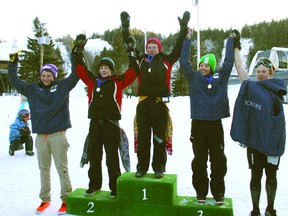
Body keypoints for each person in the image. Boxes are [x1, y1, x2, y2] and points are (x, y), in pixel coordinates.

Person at [8, 50, 79, 215]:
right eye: (44, 75)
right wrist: (13, 63)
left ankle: (66, 199)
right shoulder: (32, 89)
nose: (46, 78)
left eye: (49, 75)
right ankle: (45, 200)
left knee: (62, 168)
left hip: (58, 135)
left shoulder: (62, 87)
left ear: (54, 76)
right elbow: (15, 81)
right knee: (43, 169)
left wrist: (75, 56)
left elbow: (76, 75)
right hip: (41, 137)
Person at [120, 10, 190, 178]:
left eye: (154, 47)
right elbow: (129, 44)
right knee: (143, 137)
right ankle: (142, 167)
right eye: (149, 47)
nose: (151, 49)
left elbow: (179, 47)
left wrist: (183, 28)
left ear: (159, 48)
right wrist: (125, 27)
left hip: (160, 104)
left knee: (159, 138)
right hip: (143, 104)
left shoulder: (167, 59)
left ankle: (159, 167)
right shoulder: (141, 60)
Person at [72, 34, 139, 198]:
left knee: (112, 157)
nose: (103, 69)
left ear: (111, 70)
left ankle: (115, 188)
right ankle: (94, 185)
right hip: (95, 123)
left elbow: (134, 71)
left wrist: (131, 51)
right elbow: (79, 68)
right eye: (101, 67)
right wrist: (79, 50)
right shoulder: (92, 81)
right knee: (94, 155)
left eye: (107, 68)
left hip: (111, 124)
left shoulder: (118, 82)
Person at [231, 31, 287, 216]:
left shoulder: (278, 90)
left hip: (271, 140)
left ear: (271, 74)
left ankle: (270, 209)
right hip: (255, 141)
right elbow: (239, 67)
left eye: (264, 72)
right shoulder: (251, 87)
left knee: (271, 176)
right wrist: (236, 46)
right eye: (258, 72)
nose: (261, 75)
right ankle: (255, 210)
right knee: (255, 175)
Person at [179, 28, 236, 204]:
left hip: (215, 124)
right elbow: (184, 63)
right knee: (199, 160)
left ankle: (218, 193)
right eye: (201, 65)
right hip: (198, 125)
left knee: (218, 160)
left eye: (206, 65)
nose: (202, 67)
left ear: (211, 66)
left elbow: (228, 61)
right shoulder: (194, 77)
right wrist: (187, 40)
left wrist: (231, 41)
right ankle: (201, 192)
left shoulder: (221, 78)